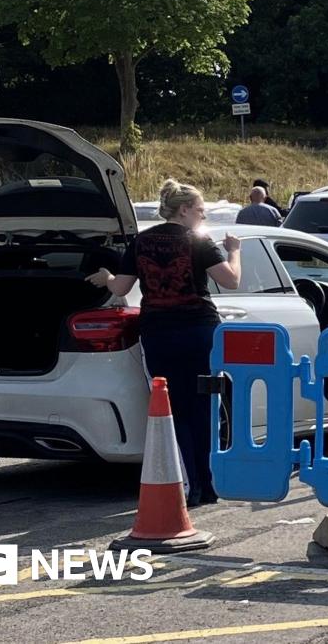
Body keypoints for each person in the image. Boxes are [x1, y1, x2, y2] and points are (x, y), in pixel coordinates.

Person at [85, 179, 242, 507]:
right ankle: (208, 484)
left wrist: (106, 278)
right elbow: (231, 280)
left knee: (174, 411)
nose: (202, 217)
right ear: (184, 210)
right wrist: (234, 251)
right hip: (200, 331)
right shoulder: (199, 241)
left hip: (158, 333)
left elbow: (121, 288)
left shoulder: (142, 241)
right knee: (204, 406)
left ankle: (190, 484)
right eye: (200, 210)